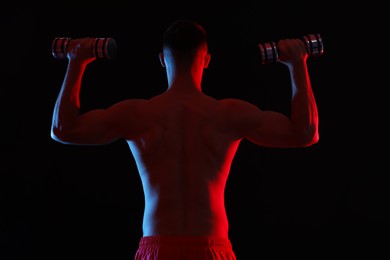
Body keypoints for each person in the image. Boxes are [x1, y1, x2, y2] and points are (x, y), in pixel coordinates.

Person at [50, 19, 319, 260]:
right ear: (206, 60)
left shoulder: (137, 114)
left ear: (162, 59)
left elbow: (63, 130)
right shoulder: (228, 114)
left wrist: (77, 61)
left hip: (158, 247)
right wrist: (297, 63)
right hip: (212, 249)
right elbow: (305, 133)